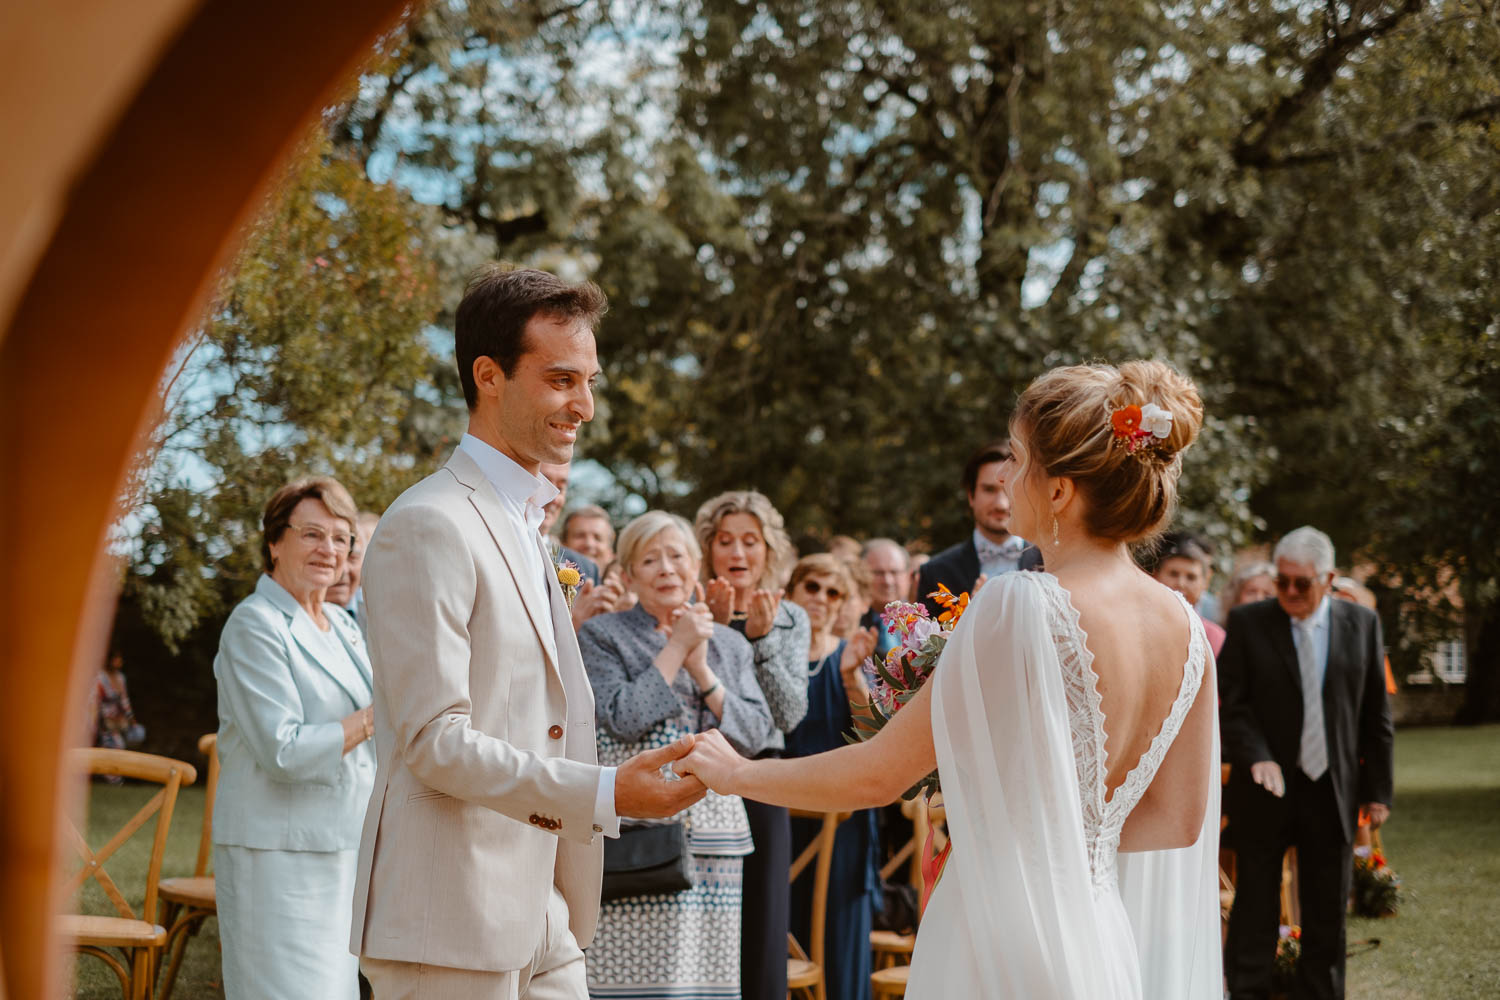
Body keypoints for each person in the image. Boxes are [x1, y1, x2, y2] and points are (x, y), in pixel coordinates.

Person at [678, 360, 1221, 999]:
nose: (1007, 479)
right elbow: (1180, 822)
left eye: (1017, 458)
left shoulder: (1020, 604)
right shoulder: (1187, 629)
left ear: (1058, 492)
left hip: (997, 932)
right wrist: (1056, 836)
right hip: (1102, 939)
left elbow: (878, 775)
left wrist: (735, 773)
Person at [350, 266, 705, 999]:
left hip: (547, 910)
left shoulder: (525, 524)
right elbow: (433, 739)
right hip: (450, 918)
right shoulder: (428, 523)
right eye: (561, 380)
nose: (585, 406)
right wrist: (606, 792)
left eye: (590, 382)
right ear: (489, 376)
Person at [577, 510, 775, 999]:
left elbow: (756, 735)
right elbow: (621, 718)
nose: (666, 568)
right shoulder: (602, 635)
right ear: (628, 574)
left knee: (703, 978)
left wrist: (703, 671)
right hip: (635, 832)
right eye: (650, 559)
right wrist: (676, 648)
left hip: (714, 837)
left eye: (676, 556)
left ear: (695, 566)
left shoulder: (729, 643)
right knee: (623, 976)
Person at [212, 476, 376, 999]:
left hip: (344, 849)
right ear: (274, 542)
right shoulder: (253, 625)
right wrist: (374, 717)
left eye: (341, 538)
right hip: (276, 859)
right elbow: (282, 750)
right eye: (312, 534)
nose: (329, 549)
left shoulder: (342, 625)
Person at [1220, 527, 1395, 1000]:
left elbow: (1375, 713)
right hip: (1266, 787)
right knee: (1256, 902)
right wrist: (1257, 755)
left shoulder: (1362, 624)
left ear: (1329, 578)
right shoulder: (1250, 622)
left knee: (1327, 908)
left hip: (1332, 788)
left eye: (1302, 583)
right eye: (1282, 582)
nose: (1290, 592)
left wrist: (1378, 790)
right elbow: (1232, 704)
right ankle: (1248, 992)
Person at [694, 490, 812, 1000]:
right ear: (707, 548)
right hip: (697, 778)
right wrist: (718, 632)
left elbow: (788, 716)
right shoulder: (691, 609)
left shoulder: (791, 618)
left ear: (769, 550)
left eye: (750, 541)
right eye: (725, 541)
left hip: (763, 779)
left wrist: (761, 643)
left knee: (763, 923)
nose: (737, 553)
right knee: (702, 925)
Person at [785, 553, 880, 1000]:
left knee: (838, 940)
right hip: (782, 815)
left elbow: (874, 740)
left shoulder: (850, 655)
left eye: (833, 592)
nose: (821, 598)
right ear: (791, 591)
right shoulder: (769, 653)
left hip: (841, 822)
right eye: (811, 587)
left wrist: (851, 678)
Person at [914, 440, 1042, 616]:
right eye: (989, 490)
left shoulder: (1050, 563)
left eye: (1009, 489)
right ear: (971, 495)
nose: (1001, 504)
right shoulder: (935, 572)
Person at [1153, 533, 1227, 656]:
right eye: (1173, 574)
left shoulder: (1214, 637)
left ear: (1205, 582)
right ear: (1155, 576)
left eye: (1191, 577)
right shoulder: (1136, 622)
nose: (1181, 583)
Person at [861, 538, 912, 659]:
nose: (887, 581)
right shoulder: (852, 623)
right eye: (878, 573)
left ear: (907, 575)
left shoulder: (924, 620)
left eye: (894, 572)